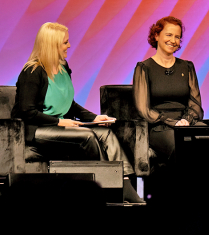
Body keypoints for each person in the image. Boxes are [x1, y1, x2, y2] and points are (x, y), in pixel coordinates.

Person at [11, 22, 143, 203]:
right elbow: (27, 111)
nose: (69, 45)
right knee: (87, 136)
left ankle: (126, 185)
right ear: (52, 44)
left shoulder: (63, 67)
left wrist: (95, 117)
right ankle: (106, 191)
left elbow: (69, 104)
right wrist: (59, 122)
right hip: (36, 129)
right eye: (65, 42)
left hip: (58, 126)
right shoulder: (32, 72)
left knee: (105, 133)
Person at [133, 16, 204, 168]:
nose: (173, 40)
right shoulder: (144, 68)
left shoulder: (187, 67)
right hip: (160, 126)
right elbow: (143, 109)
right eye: (169, 35)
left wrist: (186, 121)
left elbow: (196, 104)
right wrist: (173, 123)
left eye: (177, 37)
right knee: (181, 145)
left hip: (186, 122)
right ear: (156, 35)